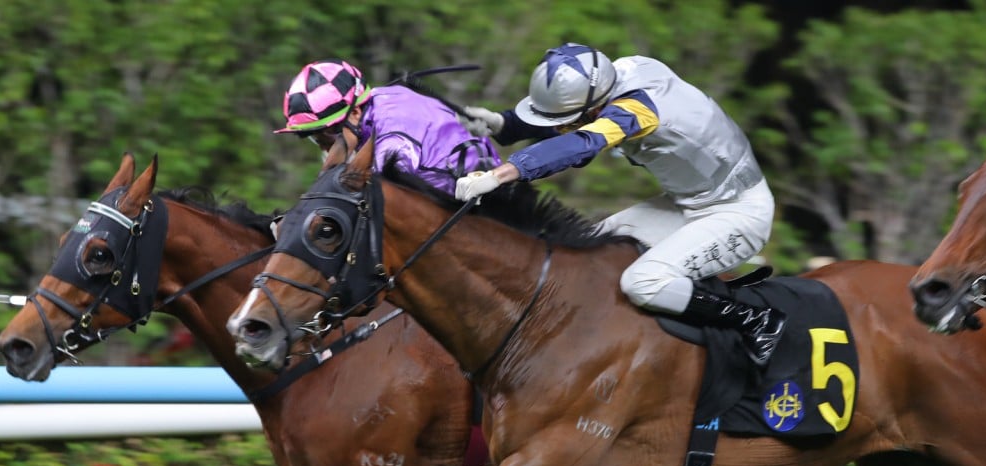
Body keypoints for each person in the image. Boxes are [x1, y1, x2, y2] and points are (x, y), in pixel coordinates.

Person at [455, 43, 783, 366]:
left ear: (597, 106)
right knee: (583, 256)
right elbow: (571, 123)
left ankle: (755, 320)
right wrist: (503, 123)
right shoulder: (615, 75)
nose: (563, 125)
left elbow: (582, 142)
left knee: (642, 283)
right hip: (684, 205)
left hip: (738, 214)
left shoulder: (638, 109)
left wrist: (501, 174)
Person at [276, 59, 499, 194]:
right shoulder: (375, 100)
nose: (324, 146)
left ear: (354, 112)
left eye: (325, 135)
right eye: (314, 138)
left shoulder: (393, 136)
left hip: (477, 209)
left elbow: (376, 197)